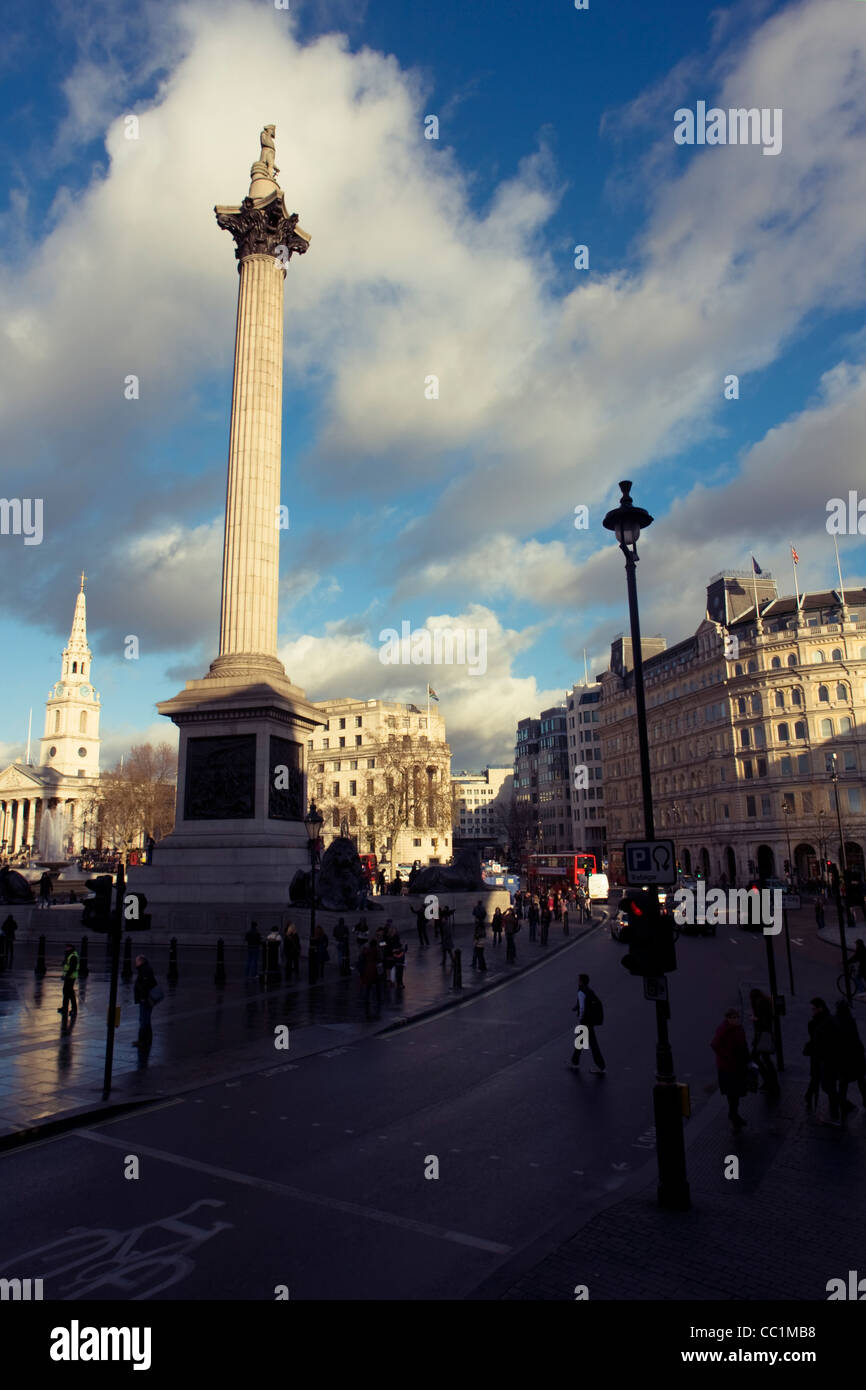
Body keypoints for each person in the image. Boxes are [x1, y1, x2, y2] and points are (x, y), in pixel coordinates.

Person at [711, 1008, 750, 1131]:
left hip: (738, 1065)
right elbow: (714, 1044)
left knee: (737, 1092)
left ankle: (734, 1114)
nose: (736, 1019)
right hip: (728, 1067)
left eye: (737, 1017)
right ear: (728, 1019)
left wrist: (747, 1057)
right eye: (733, 1017)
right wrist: (726, 1056)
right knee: (732, 1093)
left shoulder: (739, 1028)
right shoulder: (723, 1030)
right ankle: (734, 1116)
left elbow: (744, 1044)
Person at [804, 998, 841, 1125]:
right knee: (826, 1084)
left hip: (826, 1060)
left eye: (813, 1009)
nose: (812, 1011)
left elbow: (823, 1042)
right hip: (825, 1059)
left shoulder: (825, 1023)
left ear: (820, 1008)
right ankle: (838, 1111)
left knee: (828, 1086)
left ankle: (839, 1112)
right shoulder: (824, 1020)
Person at [835, 1000, 866, 1115]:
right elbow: (856, 1040)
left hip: (843, 1059)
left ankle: (843, 1105)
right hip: (855, 1057)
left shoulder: (836, 1021)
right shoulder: (850, 1021)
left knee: (843, 1083)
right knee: (860, 1080)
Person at [570, 973, 605, 1073]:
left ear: (581, 981)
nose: (577, 981)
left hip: (585, 1021)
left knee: (592, 1044)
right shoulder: (588, 990)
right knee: (580, 1041)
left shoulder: (581, 991)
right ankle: (574, 1062)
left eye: (579, 979)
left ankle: (600, 1066)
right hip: (589, 1021)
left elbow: (582, 1007)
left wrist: (580, 1017)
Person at [748, 989, 779, 1095]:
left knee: (755, 1058)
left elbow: (763, 1021)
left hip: (762, 1036)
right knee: (765, 1059)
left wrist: (755, 1019)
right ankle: (770, 1082)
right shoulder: (764, 1002)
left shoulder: (760, 1004)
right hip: (765, 1035)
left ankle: (769, 1081)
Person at [133, 954, 158, 1050]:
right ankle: (147, 1040)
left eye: (137, 961)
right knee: (145, 1020)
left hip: (145, 999)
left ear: (141, 961)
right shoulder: (144, 969)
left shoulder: (145, 970)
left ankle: (143, 1041)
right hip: (145, 999)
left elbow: (146, 985)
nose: (136, 963)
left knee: (143, 1020)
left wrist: (143, 996)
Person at [359, 935, 383, 1017]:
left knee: (368, 985)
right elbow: (380, 958)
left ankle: (366, 999)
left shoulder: (366, 950)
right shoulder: (376, 950)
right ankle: (378, 998)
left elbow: (361, 957)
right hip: (374, 968)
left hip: (367, 969)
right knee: (377, 985)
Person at [58, 943, 79, 1023]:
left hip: (71, 977)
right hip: (68, 977)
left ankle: (74, 1009)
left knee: (70, 993)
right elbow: (67, 965)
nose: (66, 948)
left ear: (71, 948)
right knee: (65, 992)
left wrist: (66, 976)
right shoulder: (69, 955)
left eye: (67, 947)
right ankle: (65, 1008)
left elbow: (72, 968)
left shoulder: (73, 956)